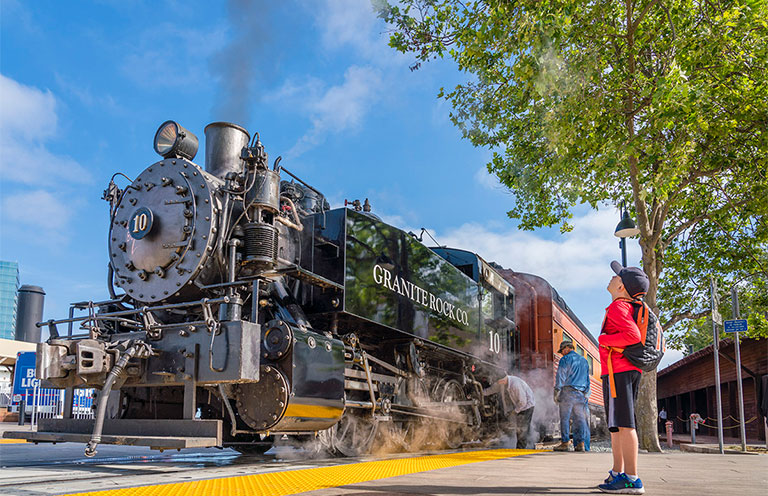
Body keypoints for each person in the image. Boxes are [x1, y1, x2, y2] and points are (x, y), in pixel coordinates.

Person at [597, 261, 648, 494]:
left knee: (625, 425)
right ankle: (617, 472)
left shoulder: (619, 307)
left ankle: (632, 478)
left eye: (617, 277)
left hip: (620, 370)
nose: (612, 278)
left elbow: (632, 336)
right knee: (616, 426)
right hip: (618, 370)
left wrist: (603, 340)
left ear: (622, 287)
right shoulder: (623, 306)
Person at [553, 340, 591, 452]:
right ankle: (581, 444)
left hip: (568, 392)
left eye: (562, 351)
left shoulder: (565, 359)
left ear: (566, 348)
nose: (562, 354)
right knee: (580, 419)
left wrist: (556, 391)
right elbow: (587, 380)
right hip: (581, 394)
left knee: (565, 418)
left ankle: (565, 443)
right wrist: (585, 394)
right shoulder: (584, 361)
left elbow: (561, 376)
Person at [485, 374, 536, 448]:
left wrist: (514, 411)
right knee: (521, 427)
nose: (497, 383)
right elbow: (491, 390)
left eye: (498, 382)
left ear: (502, 380)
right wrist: (481, 393)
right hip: (519, 405)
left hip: (527, 406)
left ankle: (521, 449)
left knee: (522, 428)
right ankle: (529, 445)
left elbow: (523, 402)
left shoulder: (515, 385)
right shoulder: (502, 383)